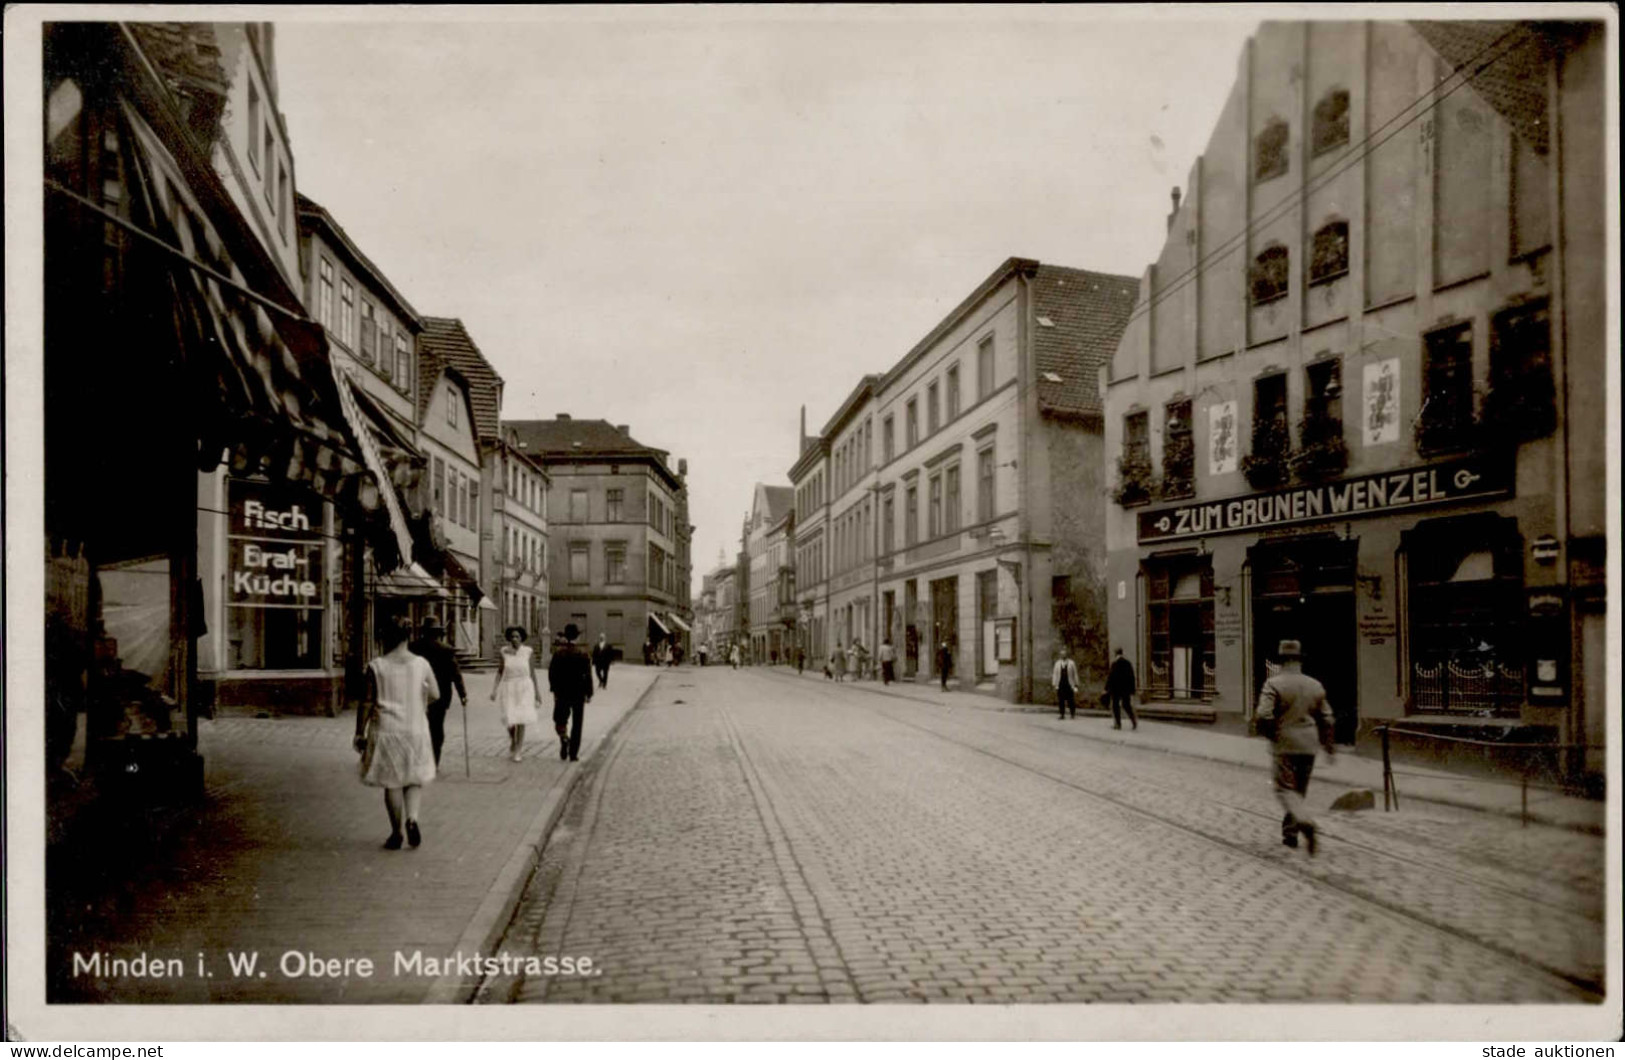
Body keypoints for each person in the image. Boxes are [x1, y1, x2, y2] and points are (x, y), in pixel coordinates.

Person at [354, 614, 439, 850]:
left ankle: (396, 833)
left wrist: (359, 732)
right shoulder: (421, 664)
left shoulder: (376, 666)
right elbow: (435, 694)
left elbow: (367, 702)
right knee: (413, 778)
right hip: (415, 728)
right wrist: (417, 701)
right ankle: (413, 818)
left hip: (386, 730)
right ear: (408, 636)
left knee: (391, 782)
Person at [1255, 639, 1337, 855]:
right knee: (1298, 791)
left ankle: (1305, 822)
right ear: (1300, 660)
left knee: (1284, 789)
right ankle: (1290, 833)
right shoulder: (1315, 684)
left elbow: (1263, 714)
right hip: (1309, 745)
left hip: (1284, 744)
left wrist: (1272, 735)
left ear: (1281, 661)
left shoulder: (1273, 684)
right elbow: (1328, 719)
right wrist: (1328, 747)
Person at [410, 616, 466, 767]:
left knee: (417, 726)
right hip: (440, 695)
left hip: (416, 694)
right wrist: (463, 695)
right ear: (438, 632)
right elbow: (456, 674)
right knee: (436, 728)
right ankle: (434, 761)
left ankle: (418, 759)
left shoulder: (413, 647)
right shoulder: (446, 650)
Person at [492, 626, 540, 762]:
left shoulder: (528, 652)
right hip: (508, 687)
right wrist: (494, 690)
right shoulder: (504, 652)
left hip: (524, 687)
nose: (514, 639)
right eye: (512, 636)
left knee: (521, 719)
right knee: (509, 718)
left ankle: (518, 750)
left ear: (522, 638)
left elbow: (532, 673)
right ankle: (513, 739)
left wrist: (537, 693)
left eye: (517, 637)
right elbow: (500, 671)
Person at [549, 623, 595, 762]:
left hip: (562, 692)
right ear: (577, 637)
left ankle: (564, 738)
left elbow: (552, 674)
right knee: (577, 723)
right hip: (578, 693)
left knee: (559, 719)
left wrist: (554, 689)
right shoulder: (583, 654)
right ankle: (573, 753)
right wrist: (589, 693)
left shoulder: (558, 654)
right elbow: (588, 675)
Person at [1106, 647, 1139, 730]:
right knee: (1127, 705)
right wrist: (1132, 690)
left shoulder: (1114, 664)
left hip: (1116, 690)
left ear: (1115, 653)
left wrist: (1106, 688)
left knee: (1115, 706)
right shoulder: (1127, 663)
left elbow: (1110, 678)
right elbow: (1132, 677)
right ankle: (1133, 721)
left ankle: (1118, 724)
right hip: (1125, 690)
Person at [1052, 645, 1080, 719]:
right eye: (1062, 654)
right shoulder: (1057, 664)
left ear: (1066, 655)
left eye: (1064, 654)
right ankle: (1062, 714)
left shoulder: (1071, 663)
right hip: (1060, 684)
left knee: (1070, 699)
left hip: (1069, 684)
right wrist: (1054, 684)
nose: (1063, 655)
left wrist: (1076, 684)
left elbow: (1075, 674)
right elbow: (1055, 674)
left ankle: (1072, 713)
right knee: (1061, 700)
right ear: (1060, 655)